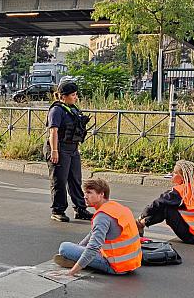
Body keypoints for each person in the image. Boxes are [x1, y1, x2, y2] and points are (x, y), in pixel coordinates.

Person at [53, 178, 142, 276]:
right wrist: (79, 247)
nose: (85, 196)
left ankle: (78, 262)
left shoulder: (102, 217)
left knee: (64, 247)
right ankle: (79, 258)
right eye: (85, 193)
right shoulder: (118, 208)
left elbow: (93, 248)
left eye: (89, 193)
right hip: (131, 264)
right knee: (81, 247)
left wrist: (71, 273)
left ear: (101, 194)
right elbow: (93, 233)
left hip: (115, 266)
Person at [136, 160, 194, 244]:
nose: (172, 174)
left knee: (166, 207)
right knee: (171, 204)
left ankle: (140, 224)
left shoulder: (180, 191)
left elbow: (157, 203)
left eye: (175, 172)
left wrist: (142, 217)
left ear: (183, 176)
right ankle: (141, 224)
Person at [47, 80, 91, 223]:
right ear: (63, 96)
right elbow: (53, 131)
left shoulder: (73, 109)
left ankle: (80, 209)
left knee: (75, 179)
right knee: (59, 181)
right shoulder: (56, 110)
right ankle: (57, 210)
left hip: (72, 148)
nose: (76, 97)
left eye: (76, 94)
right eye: (73, 95)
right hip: (59, 147)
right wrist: (54, 151)